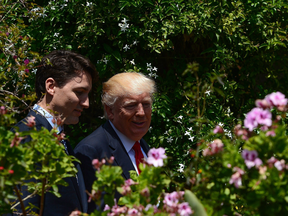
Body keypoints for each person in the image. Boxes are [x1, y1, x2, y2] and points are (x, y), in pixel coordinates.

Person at [10, 50, 97, 216]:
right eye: (79, 92)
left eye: (87, 94)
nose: (86, 103)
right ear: (51, 86)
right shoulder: (25, 138)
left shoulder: (57, 136)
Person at [74, 72, 156, 213]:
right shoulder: (91, 151)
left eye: (146, 104)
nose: (141, 112)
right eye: (131, 106)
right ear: (110, 110)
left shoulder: (141, 145)